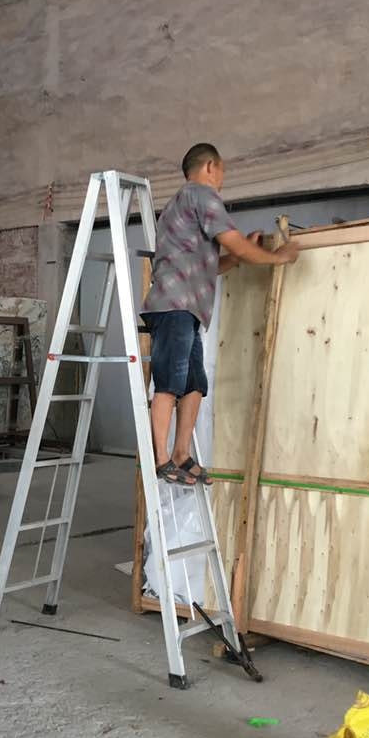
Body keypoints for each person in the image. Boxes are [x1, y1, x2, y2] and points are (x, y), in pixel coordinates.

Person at [142, 142, 299, 485]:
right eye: (223, 171)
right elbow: (232, 241)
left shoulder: (179, 205)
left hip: (187, 309)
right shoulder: (202, 195)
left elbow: (212, 265)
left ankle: (181, 454)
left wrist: (242, 254)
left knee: (195, 383)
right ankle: (162, 459)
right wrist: (278, 257)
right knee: (169, 381)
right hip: (173, 305)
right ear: (210, 166)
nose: (223, 179)